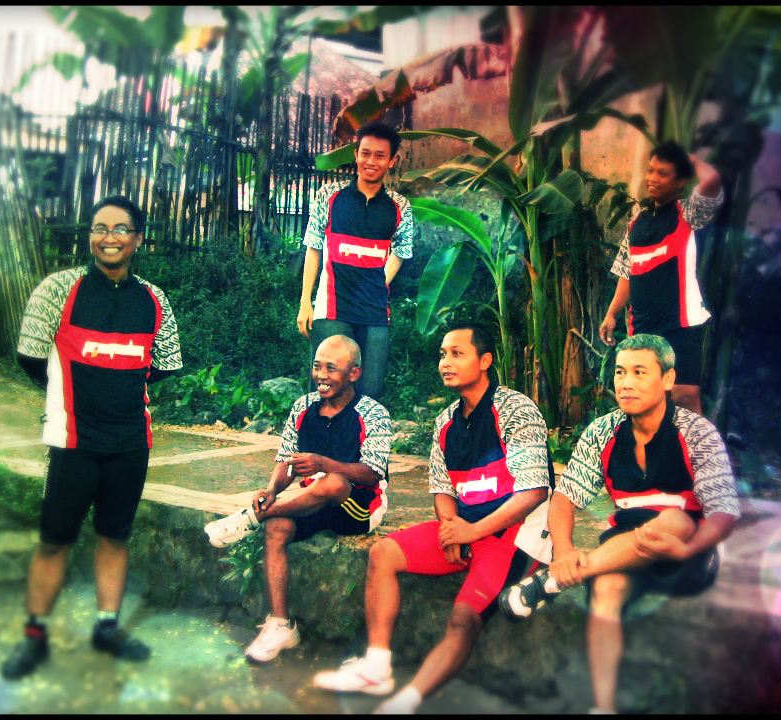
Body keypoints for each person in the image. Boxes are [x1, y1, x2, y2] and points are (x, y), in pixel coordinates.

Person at [313, 324, 553, 714]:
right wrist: (450, 527)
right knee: (383, 553)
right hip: (466, 526)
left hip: (515, 534)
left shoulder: (515, 409)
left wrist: (469, 531)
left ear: (485, 361)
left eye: (457, 353)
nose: (445, 362)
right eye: (443, 354)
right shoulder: (445, 422)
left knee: (463, 619)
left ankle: (407, 702)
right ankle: (376, 668)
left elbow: (533, 492)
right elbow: (442, 488)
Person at [499, 333, 740, 714]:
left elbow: (724, 510)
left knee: (671, 520)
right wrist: (564, 552)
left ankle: (550, 583)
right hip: (624, 548)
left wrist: (688, 550)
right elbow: (564, 497)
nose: (626, 383)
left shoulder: (695, 432)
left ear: (667, 379)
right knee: (607, 588)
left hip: (689, 550)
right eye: (620, 372)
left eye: (639, 372)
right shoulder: (603, 431)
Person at [2, 195, 183, 679]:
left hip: (130, 443)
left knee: (115, 536)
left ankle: (107, 627)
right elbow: (30, 356)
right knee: (53, 541)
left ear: (137, 239)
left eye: (121, 229)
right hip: (72, 441)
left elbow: (165, 364)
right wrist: (71, 394)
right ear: (90, 236)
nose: (109, 237)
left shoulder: (154, 300)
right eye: (100, 228)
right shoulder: (58, 290)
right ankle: (33, 636)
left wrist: (116, 387)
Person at [204, 334, 392, 663]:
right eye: (317, 366)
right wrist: (271, 491)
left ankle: (251, 518)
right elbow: (286, 461)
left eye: (331, 368)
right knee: (277, 527)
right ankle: (280, 625)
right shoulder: (303, 407)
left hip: (359, 507)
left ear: (354, 373)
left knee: (333, 482)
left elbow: (373, 474)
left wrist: (323, 464)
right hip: (312, 500)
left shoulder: (372, 413)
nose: (321, 375)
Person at [599, 141, 723, 414]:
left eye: (663, 173)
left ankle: (697, 445)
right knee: (646, 400)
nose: (652, 178)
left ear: (681, 181)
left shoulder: (688, 214)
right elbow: (627, 271)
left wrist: (687, 158)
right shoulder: (636, 222)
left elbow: (712, 179)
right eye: (650, 170)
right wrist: (611, 314)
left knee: (685, 399)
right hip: (641, 327)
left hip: (680, 326)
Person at [296, 121, 414, 399]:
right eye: (365, 153)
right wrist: (305, 302)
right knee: (326, 389)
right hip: (331, 310)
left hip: (374, 312)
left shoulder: (399, 206)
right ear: (356, 155)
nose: (371, 161)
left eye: (380, 155)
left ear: (392, 161)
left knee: (370, 391)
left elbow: (402, 250)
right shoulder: (329, 196)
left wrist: (380, 281)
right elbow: (313, 247)